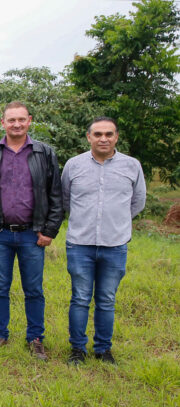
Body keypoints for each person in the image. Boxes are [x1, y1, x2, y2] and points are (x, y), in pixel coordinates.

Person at [0, 101, 63, 360]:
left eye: (21, 119)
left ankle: (35, 338)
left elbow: (55, 194)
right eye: (11, 120)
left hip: (32, 235)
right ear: (2, 122)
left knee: (33, 289)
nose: (16, 124)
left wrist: (49, 230)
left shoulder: (44, 153)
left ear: (29, 120)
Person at [62, 117, 146, 365]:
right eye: (97, 134)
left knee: (107, 300)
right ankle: (78, 349)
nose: (103, 138)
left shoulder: (131, 166)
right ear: (88, 137)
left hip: (115, 244)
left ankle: (103, 350)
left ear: (116, 137)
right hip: (80, 244)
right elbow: (66, 199)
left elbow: (138, 201)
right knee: (80, 298)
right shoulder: (74, 165)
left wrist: (117, 220)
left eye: (109, 134)